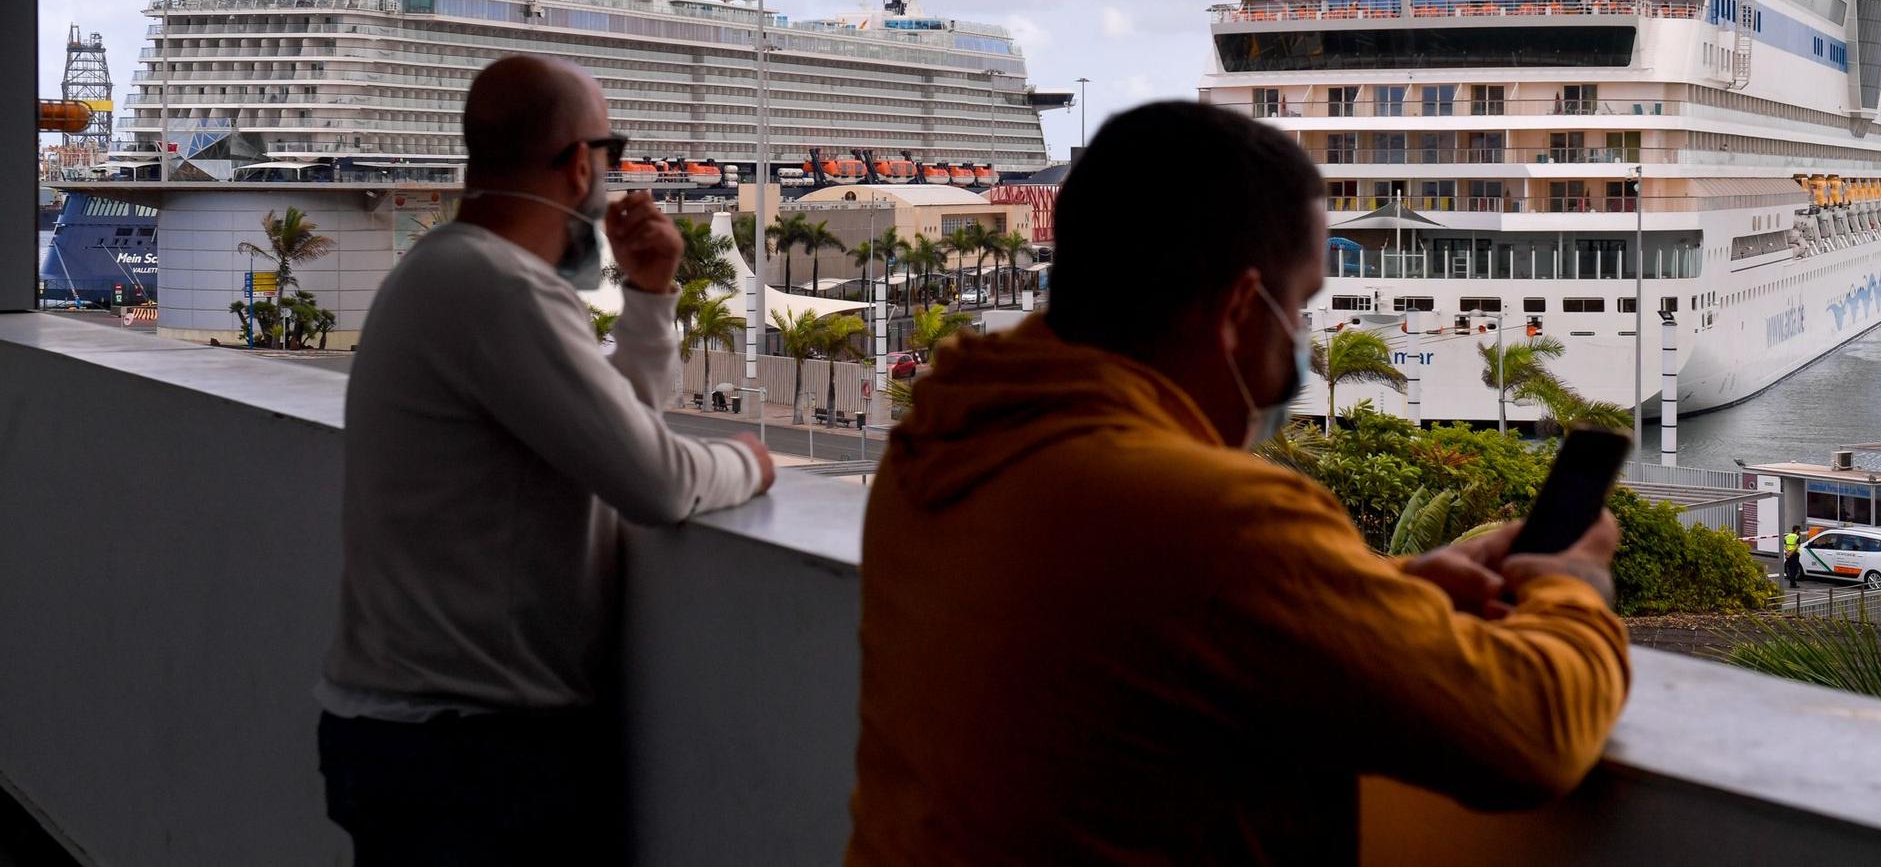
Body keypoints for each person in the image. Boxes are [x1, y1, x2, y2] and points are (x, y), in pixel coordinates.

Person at [847, 101, 1629, 866]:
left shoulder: (940, 443)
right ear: (1235, 310)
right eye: (1300, 306)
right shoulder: (1216, 522)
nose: (1303, 339)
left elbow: (1131, 614)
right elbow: (1535, 732)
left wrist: (1368, 595)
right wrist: (1572, 583)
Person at [316, 56, 774, 864]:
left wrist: (651, 295)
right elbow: (658, 482)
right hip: (471, 757)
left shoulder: (440, 270)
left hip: (413, 736)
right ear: (576, 163)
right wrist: (749, 463)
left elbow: (610, 429)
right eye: (611, 152)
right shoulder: (502, 291)